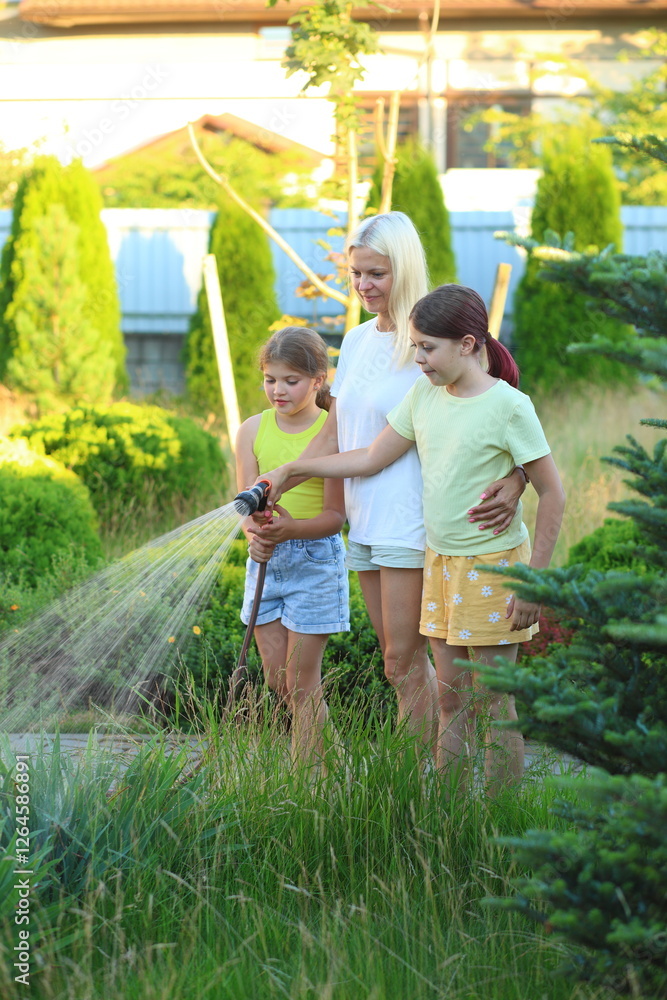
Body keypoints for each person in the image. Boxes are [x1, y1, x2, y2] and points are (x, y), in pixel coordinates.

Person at [257, 284, 566, 793]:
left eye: (427, 348)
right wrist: (293, 469)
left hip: (493, 567)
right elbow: (371, 457)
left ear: (467, 344)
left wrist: (535, 582)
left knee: (494, 702)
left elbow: (553, 492)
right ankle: (444, 812)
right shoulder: (423, 395)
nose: (417, 358)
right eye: (415, 346)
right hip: (440, 563)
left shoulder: (509, 406)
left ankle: (499, 818)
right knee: (449, 697)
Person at [235, 326, 349, 762]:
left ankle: (314, 778)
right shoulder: (251, 430)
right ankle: (332, 766)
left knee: (303, 684)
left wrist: (289, 531)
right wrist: (256, 536)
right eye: (270, 379)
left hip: (314, 559)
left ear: (318, 379)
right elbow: (245, 504)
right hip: (265, 561)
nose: (277, 390)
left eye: (291, 380)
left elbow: (334, 518)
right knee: (276, 681)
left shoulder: (332, 431)